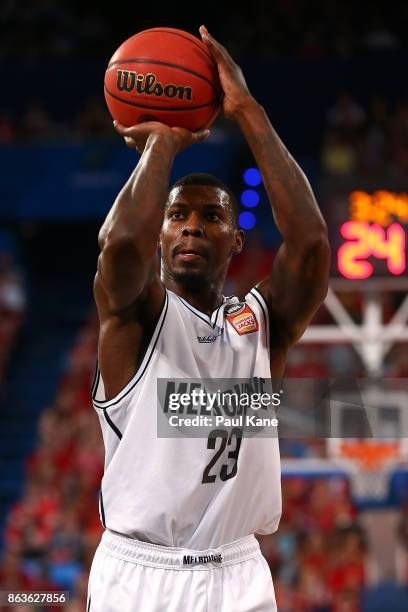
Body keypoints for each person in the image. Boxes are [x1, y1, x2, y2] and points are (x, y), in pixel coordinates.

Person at [86, 25, 330, 612]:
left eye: (210, 216)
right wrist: (162, 144)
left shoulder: (261, 323)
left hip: (238, 573)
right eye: (177, 215)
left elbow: (313, 244)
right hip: (139, 573)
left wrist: (248, 112)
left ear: (236, 239)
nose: (192, 225)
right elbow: (119, 248)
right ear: (161, 235)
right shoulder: (135, 316)